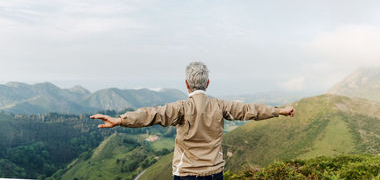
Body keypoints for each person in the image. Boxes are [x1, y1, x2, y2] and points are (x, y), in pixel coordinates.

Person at [91, 62, 295, 180]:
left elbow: (151, 114)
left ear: (186, 84)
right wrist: (280, 111)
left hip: (186, 175)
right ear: (207, 83)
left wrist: (119, 120)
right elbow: (250, 110)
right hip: (215, 173)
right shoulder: (220, 106)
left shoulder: (180, 108)